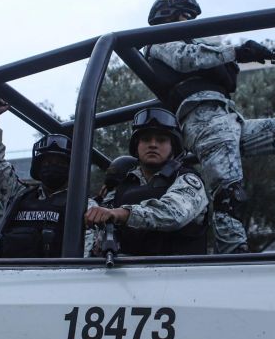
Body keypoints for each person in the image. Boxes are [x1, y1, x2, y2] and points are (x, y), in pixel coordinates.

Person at [144, 0, 275, 254]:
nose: (188, 22)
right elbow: (186, 58)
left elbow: (218, 69)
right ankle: (234, 261)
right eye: (184, 16)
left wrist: (242, 56)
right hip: (204, 121)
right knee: (229, 195)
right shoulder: (158, 40)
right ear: (169, 15)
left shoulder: (191, 42)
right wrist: (237, 51)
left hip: (229, 118)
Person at [84, 108, 209, 256]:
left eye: (161, 140)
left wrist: (121, 213)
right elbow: (98, 215)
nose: (153, 145)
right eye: (146, 139)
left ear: (173, 148)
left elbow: (173, 214)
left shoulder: (188, 180)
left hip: (179, 273)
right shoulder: (124, 185)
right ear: (136, 147)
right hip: (124, 274)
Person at [0, 94, 94, 257]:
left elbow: (86, 258)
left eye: (60, 163)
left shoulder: (84, 205)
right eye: (47, 162)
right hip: (5, 278)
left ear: (71, 169)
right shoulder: (18, 196)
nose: (53, 166)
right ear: (38, 166)